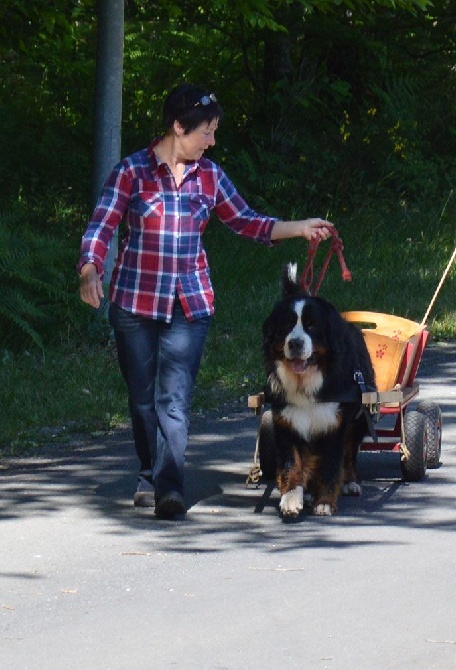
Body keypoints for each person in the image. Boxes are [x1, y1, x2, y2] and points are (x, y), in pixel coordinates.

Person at [78, 83, 333, 520]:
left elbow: (249, 222)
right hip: (133, 304)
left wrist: (300, 227)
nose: (212, 141)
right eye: (207, 132)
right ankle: (148, 473)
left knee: (173, 400)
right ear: (178, 127)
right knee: (142, 400)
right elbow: (101, 226)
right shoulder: (132, 173)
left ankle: (170, 488)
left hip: (189, 305)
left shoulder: (209, 177)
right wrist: (89, 268)